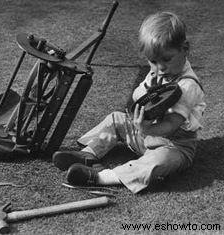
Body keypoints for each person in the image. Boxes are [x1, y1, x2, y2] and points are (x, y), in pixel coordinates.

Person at [52, 12, 206, 194]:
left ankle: (101, 177)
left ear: (185, 48)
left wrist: (146, 128)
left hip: (175, 145)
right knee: (116, 119)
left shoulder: (187, 86)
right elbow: (137, 95)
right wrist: (149, 96)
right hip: (147, 135)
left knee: (160, 160)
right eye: (153, 61)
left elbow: (172, 125)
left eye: (167, 59)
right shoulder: (158, 73)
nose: (160, 68)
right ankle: (89, 153)